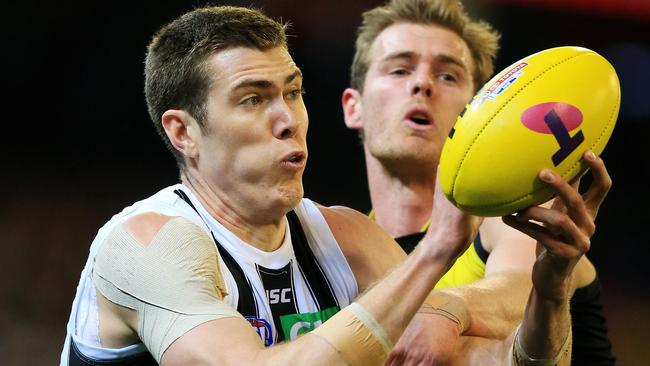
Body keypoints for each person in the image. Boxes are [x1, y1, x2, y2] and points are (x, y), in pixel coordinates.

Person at [60, 4, 609, 366]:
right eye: (253, 98)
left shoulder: (347, 240)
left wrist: (553, 289)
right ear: (183, 132)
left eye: (293, 93)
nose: (288, 118)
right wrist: (434, 254)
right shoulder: (146, 243)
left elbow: (496, 362)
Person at [341, 0, 616, 364]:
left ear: (480, 109)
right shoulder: (342, 248)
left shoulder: (516, 212)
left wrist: (448, 308)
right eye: (399, 70)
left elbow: (522, 287)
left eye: (447, 75)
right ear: (353, 107)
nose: (422, 83)